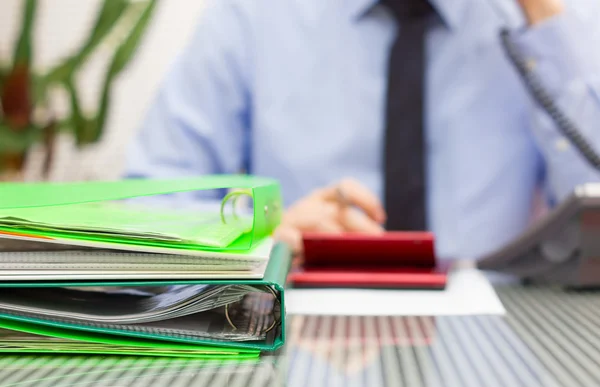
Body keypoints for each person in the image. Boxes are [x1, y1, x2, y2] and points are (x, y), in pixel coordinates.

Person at [124, 0, 600, 259]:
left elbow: (592, 222)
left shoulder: (552, 29)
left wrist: (546, 23)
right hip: (299, 338)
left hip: (504, 343)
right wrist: (256, 236)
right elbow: (146, 207)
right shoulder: (249, 16)